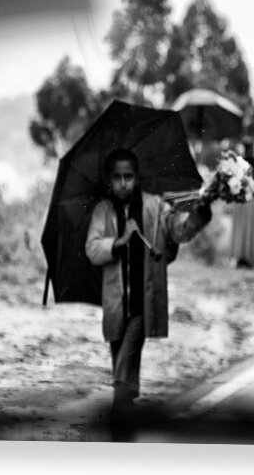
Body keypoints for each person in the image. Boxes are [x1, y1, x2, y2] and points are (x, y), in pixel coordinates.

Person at [85, 148, 212, 422]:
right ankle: (126, 402)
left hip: (145, 299)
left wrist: (198, 215)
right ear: (110, 179)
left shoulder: (156, 207)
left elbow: (179, 230)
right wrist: (119, 242)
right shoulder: (103, 211)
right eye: (117, 177)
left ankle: (121, 393)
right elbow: (92, 249)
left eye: (128, 177)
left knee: (129, 348)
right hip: (116, 301)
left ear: (137, 177)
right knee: (120, 351)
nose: (123, 183)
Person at [230, 140, 254, 268]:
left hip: (252, 200)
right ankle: (239, 257)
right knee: (241, 228)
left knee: (251, 228)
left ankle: (250, 258)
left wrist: (252, 189)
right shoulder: (239, 164)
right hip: (241, 200)